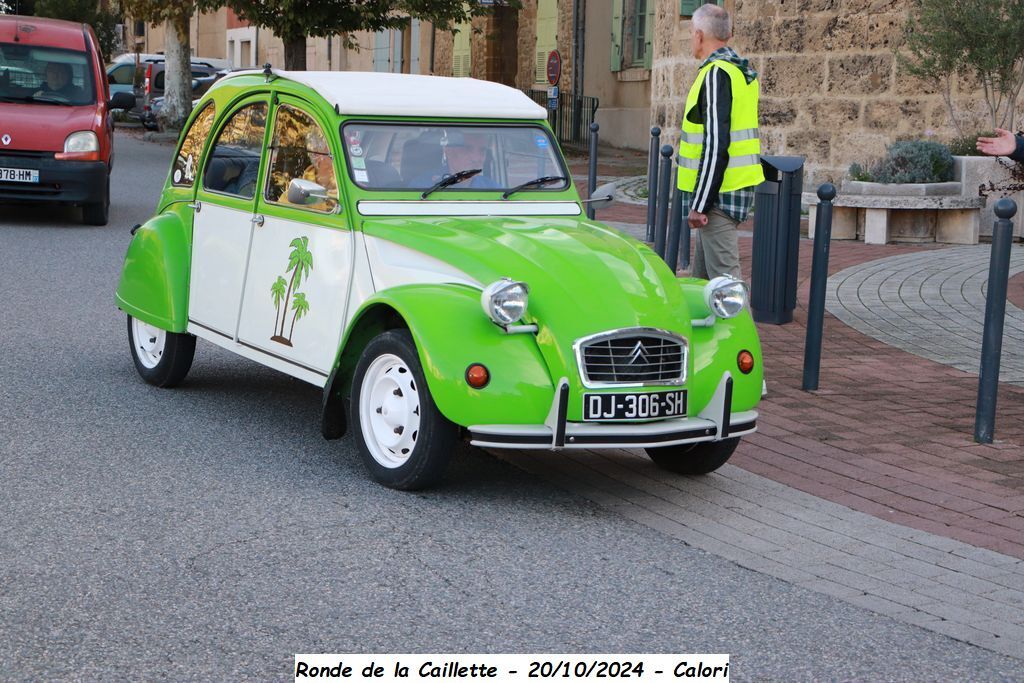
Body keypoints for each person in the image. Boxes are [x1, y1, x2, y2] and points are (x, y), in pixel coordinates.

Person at [677, 3, 764, 280]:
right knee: (702, 288)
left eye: (692, 32)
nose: (692, 38)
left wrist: (700, 204)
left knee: (728, 290)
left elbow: (716, 144)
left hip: (717, 201)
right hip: (726, 193)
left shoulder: (717, 73)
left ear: (700, 35)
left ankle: (743, 325)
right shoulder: (739, 71)